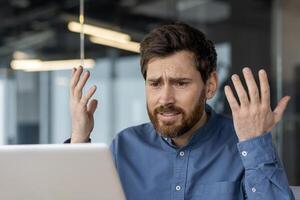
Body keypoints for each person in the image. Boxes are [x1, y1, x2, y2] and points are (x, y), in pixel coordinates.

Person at [68, 23, 295, 199]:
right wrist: (79, 138)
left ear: (210, 85)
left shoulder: (243, 145)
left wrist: (255, 142)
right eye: (155, 83)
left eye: (181, 83)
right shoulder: (125, 147)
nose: (165, 98)